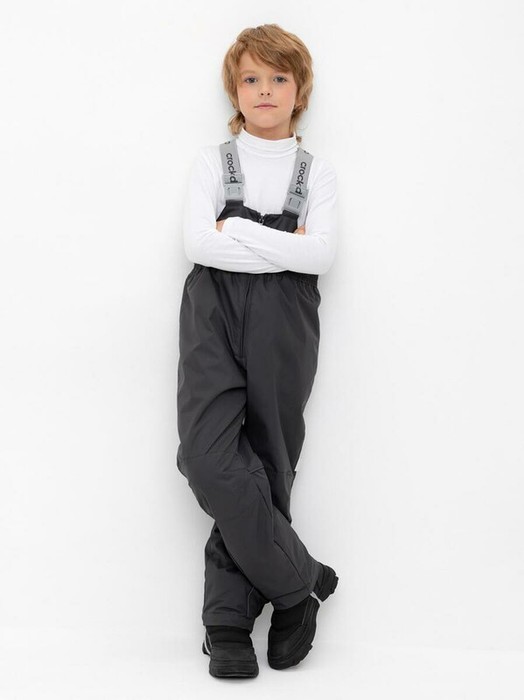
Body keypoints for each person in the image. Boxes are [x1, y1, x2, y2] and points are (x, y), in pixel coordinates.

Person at [176, 23, 339, 678]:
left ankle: (227, 623)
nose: (264, 90)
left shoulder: (315, 172)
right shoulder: (212, 162)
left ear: (299, 91)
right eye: (251, 78)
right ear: (234, 89)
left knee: (267, 464)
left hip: (285, 321)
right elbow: (197, 243)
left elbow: (319, 255)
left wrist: (236, 228)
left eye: (278, 78)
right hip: (212, 314)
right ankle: (299, 581)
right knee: (207, 457)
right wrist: (283, 246)